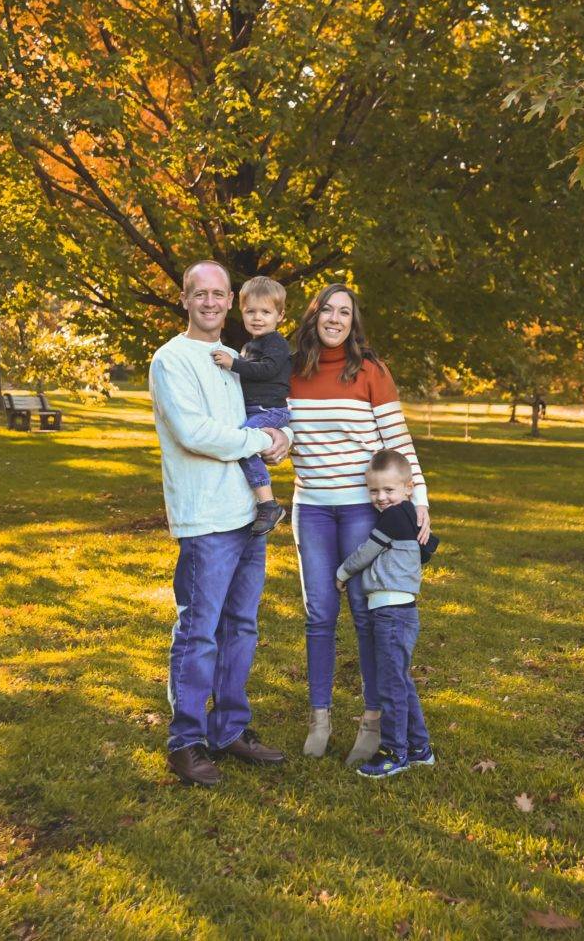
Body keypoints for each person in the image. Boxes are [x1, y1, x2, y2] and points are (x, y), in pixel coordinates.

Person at [148, 261, 291, 786]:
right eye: (199, 294)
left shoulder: (237, 358)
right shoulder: (171, 360)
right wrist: (259, 441)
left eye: (218, 294)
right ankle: (186, 740)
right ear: (185, 299)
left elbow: (266, 408)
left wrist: (281, 442)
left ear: (231, 300)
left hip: (249, 516)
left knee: (242, 629)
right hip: (205, 518)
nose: (209, 303)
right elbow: (196, 433)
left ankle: (230, 729)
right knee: (199, 631)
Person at [288, 283, 431, 766]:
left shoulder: (371, 371)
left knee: (365, 614)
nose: (334, 318)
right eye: (326, 309)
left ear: (353, 321)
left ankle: (373, 722)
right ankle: (320, 718)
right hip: (311, 508)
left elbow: (398, 440)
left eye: (344, 312)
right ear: (313, 316)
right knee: (319, 614)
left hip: (359, 508)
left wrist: (421, 502)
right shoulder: (289, 370)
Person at [335, 449, 439, 779]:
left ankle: (395, 751)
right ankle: (420, 748)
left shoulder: (394, 517)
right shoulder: (406, 516)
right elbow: (427, 549)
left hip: (391, 614)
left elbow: (366, 553)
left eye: (389, 490)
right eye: (374, 491)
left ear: (409, 488)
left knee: (391, 687)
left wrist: (342, 573)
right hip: (399, 611)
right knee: (400, 682)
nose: (381, 498)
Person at [210, 276, 293, 535]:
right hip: (256, 409)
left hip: (271, 410)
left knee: (244, 443)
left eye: (266, 312)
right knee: (245, 446)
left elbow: (267, 369)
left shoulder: (276, 343)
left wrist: (233, 363)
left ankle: (269, 504)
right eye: (251, 312)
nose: (258, 318)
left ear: (280, 315)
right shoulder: (249, 346)